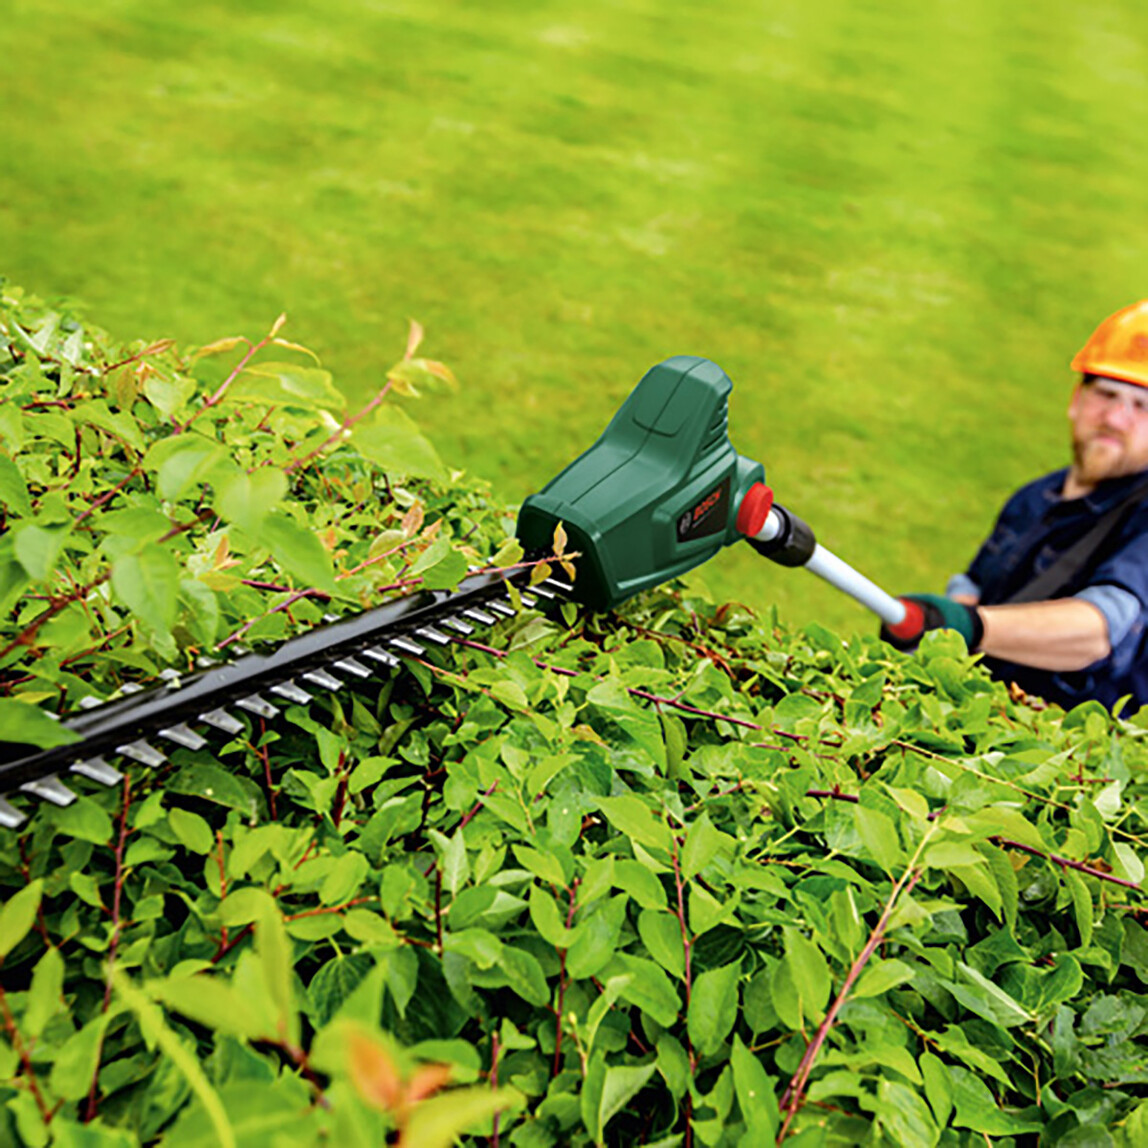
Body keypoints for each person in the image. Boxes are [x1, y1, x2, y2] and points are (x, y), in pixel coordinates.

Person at [882, 300, 1148, 712]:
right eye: (1108, 394)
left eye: (1142, 406)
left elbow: (1101, 631)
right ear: (1077, 400)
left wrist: (968, 626)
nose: (1115, 418)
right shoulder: (1037, 494)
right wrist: (942, 621)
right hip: (982, 713)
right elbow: (975, 584)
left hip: (1070, 752)